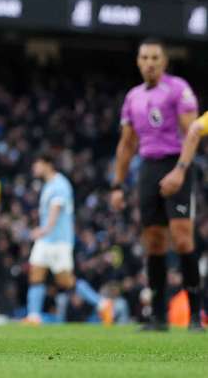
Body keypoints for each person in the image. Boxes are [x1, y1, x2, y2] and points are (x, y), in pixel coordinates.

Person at [110, 38, 202, 331]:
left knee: (183, 237)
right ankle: (158, 316)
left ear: (164, 62)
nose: (149, 62)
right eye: (144, 57)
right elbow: (126, 145)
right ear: (138, 62)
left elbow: (194, 133)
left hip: (177, 163)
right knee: (154, 242)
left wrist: (180, 171)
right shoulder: (132, 97)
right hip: (148, 168)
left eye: (155, 58)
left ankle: (195, 315)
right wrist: (117, 185)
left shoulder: (178, 89)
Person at [23, 152, 113, 326]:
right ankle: (33, 316)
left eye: (37, 163)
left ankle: (102, 304)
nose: (34, 168)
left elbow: (56, 209)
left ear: (47, 164)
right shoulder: (48, 185)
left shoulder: (60, 184)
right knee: (36, 273)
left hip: (58, 241)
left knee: (66, 280)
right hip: (46, 240)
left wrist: (44, 230)